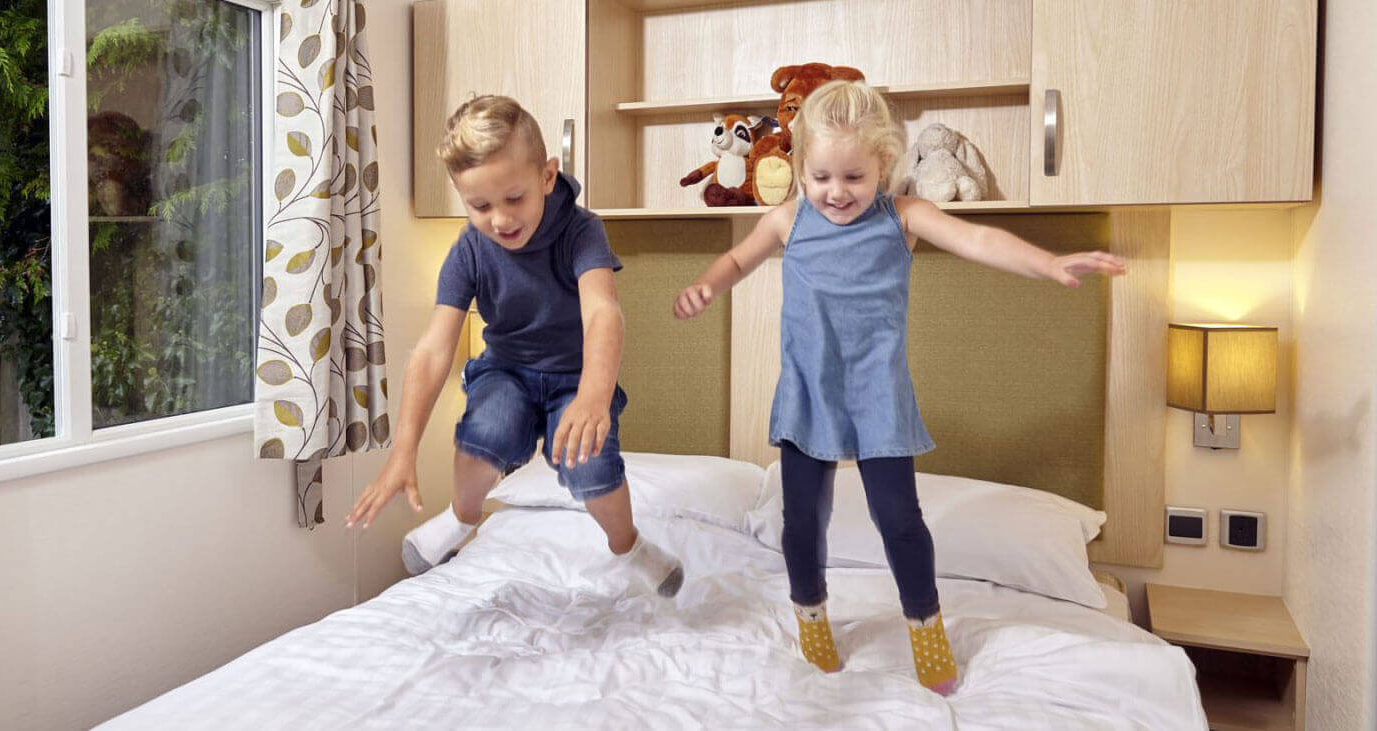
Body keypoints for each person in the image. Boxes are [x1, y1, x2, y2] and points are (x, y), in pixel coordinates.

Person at [673, 80, 1125, 694]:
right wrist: (706, 286)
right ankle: (810, 616)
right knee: (802, 519)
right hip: (809, 391)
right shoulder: (787, 219)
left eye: (854, 178)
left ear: (884, 165)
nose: (836, 193)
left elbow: (978, 240)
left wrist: (1048, 264)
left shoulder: (902, 218)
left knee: (900, 521)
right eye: (822, 176)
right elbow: (736, 260)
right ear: (801, 166)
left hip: (877, 393)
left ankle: (925, 623)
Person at [346, 95, 683, 598]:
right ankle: (463, 517)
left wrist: (594, 396)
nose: (500, 219)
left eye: (513, 199)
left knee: (589, 465)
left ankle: (627, 544)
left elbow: (601, 311)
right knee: (485, 430)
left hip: (577, 375)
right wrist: (404, 449)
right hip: (507, 371)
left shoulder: (580, 229)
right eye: (479, 206)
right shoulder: (469, 249)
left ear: (548, 176)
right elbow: (435, 349)